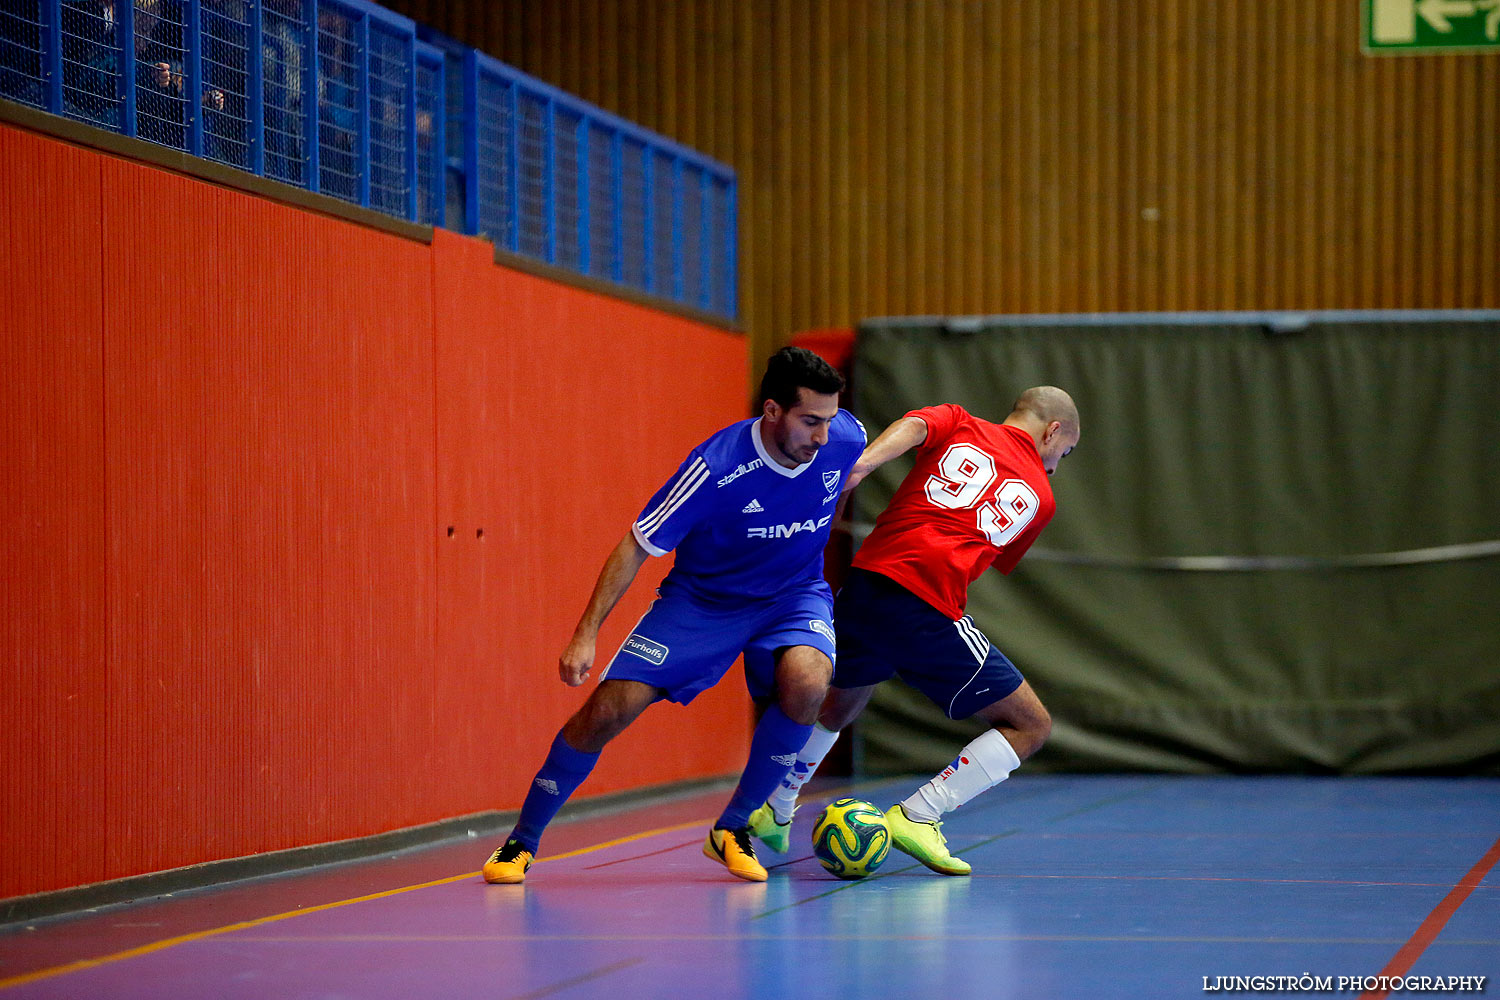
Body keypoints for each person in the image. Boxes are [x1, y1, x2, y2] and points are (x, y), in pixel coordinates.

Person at [482, 347, 867, 885]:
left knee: (808, 681)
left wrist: (819, 536)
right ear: (773, 411)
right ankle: (519, 842)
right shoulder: (715, 466)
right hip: (703, 602)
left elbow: (846, 475)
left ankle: (733, 828)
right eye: (810, 422)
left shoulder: (844, 436)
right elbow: (637, 546)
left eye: (829, 420)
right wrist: (585, 633)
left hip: (793, 594)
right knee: (608, 712)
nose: (823, 436)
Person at [747, 386, 1080, 875]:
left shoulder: (959, 420)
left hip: (867, 582)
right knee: (1031, 725)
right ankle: (921, 814)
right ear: (1052, 431)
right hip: (923, 603)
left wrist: (861, 465)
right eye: (1063, 453)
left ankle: (775, 804)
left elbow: (916, 425)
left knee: (845, 698)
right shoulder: (1040, 497)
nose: (1054, 466)